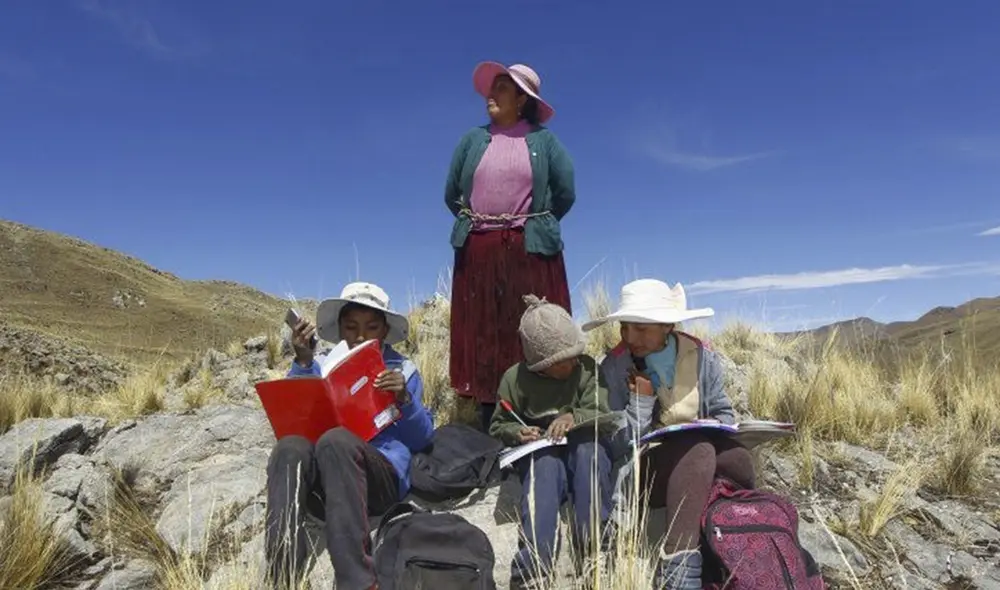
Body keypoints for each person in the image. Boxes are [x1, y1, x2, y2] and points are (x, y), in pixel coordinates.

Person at [582, 279, 756, 590]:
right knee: (698, 449)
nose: (629, 337)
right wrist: (641, 403)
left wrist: (713, 423)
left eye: (641, 328)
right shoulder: (613, 367)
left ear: (666, 326)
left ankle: (740, 540)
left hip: (696, 456)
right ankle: (679, 576)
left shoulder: (701, 357)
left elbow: (722, 409)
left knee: (738, 458)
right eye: (625, 327)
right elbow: (613, 441)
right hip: (641, 472)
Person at [264, 282, 434, 590]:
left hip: (379, 483)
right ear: (340, 328)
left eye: (371, 327)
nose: (360, 335)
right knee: (289, 447)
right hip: (327, 486)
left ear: (384, 330)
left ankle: (357, 581)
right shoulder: (323, 366)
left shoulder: (403, 371)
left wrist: (404, 400)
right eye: (351, 326)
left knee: (336, 440)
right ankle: (281, 572)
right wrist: (303, 362)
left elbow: (422, 439)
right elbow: (296, 424)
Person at [445, 61, 577, 432]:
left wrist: (536, 224)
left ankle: (544, 411)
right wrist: (479, 223)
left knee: (531, 327)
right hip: (480, 249)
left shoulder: (544, 142)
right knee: (484, 332)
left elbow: (565, 193)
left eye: (502, 88)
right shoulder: (473, 140)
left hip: (529, 249)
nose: (491, 94)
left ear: (522, 99)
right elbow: (452, 193)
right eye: (492, 87)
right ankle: (492, 420)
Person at [489, 295, 614, 589]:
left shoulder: (585, 369)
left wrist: (573, 416)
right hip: (544, 453)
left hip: (584, 447)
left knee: (590, 454)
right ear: (542, 365)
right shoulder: (514, 380)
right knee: (542, 468)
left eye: (575, 352)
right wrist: (517, 433)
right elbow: (499, 423)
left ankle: (596, 554)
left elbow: (603, 412)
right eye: (564, 359)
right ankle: (533, 567)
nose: (574, 360)